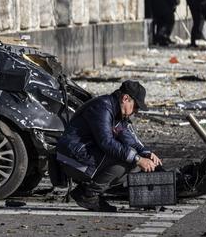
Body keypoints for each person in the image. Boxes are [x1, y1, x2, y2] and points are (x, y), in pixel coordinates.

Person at [56, 80, 162, 212]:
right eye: (135, 106)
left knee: (132, 158)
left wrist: (146, 153)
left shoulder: (118, 112)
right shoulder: (102, 107)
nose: (135, 111)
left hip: (87, 154)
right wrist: (138, 159)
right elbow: (106, 142)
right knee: (128, 160)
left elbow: (129, 139)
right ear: (125, 98)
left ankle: (86, 191)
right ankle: (88, 195)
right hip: (72, 156)